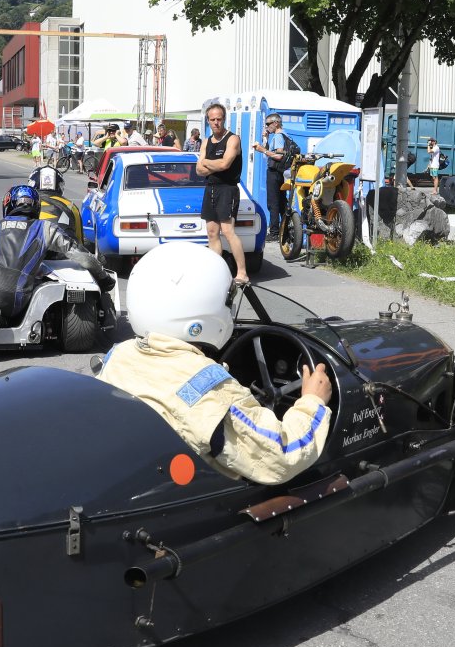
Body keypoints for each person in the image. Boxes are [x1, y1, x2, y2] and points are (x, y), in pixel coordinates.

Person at [96, 244, 331, 484]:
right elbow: (281, 456)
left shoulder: (118, 356)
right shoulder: (212, 395)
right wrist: (313, 402)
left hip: (131, 476)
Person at [0, 184, 114, 349]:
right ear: (36, 206)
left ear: (8, 204)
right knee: (14, 308)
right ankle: (0, 320)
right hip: (16, 296)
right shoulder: (46, 228)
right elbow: (81, 255)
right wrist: (103, 277)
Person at [197, 103, 249, 284]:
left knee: (228, 231)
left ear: (224, 119)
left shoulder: (233, 139)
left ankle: (242, 273)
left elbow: (225, 164)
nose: (216, 122)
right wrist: (214, 164)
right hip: (210, 188)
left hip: (228, 188)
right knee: (212, 233)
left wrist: (207, 162)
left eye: (219, 119)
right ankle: (216, 273)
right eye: (212, 119)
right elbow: (198, 170)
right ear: (208, 121)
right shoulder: (206, 142)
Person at [254, 114, 296, 241]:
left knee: (273, 203)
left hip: (274, 172)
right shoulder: (285, 135)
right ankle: (285, 231)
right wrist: (265, 139)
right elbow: (273, 153)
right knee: (282, 202)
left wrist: (262, 149)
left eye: (268, 124)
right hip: (282, 172)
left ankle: (274, 232)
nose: (266, 127)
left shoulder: (278, 137)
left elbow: (278, 155)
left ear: (276, 123)